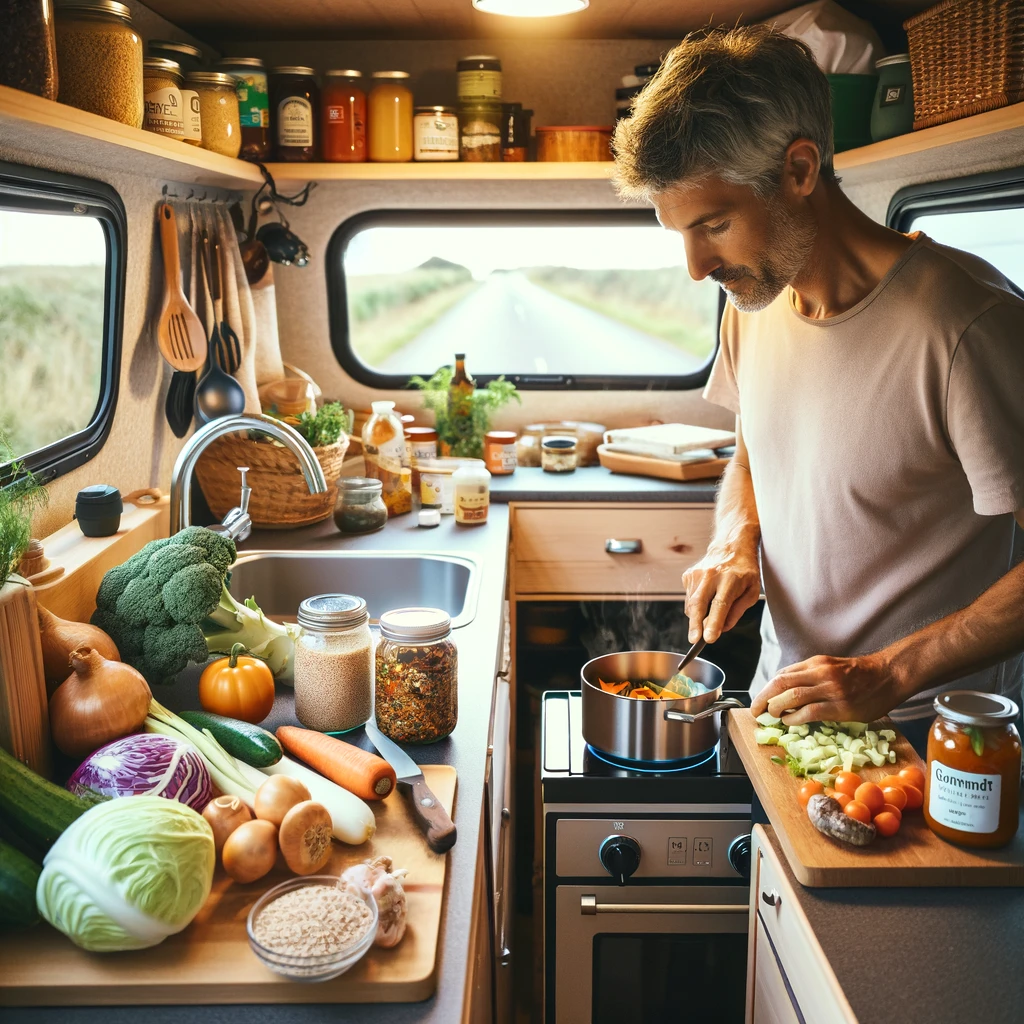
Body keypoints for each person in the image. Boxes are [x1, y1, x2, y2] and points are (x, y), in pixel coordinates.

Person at [612, 25, 1024, 747]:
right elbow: (754, 452)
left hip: (929, 737)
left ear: (800, 170)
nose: (696, 267)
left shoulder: (967, 326)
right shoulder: (754, 305)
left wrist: (891, 673)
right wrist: (736, 541)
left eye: (714, 224)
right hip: (784, 709)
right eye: (678, 232)